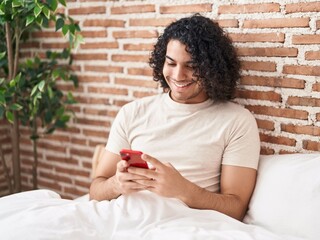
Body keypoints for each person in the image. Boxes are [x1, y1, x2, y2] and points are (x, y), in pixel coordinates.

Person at [89, 14, 260, 221]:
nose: (178, 76)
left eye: (192, 66)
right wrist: (117, 183)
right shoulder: (132, 112)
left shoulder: (236, 121)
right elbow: (95, 190)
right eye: (171, 63)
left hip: (181, 225)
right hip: (119, 217)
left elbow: (236, 207)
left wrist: (182, 190)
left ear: (211, 68)